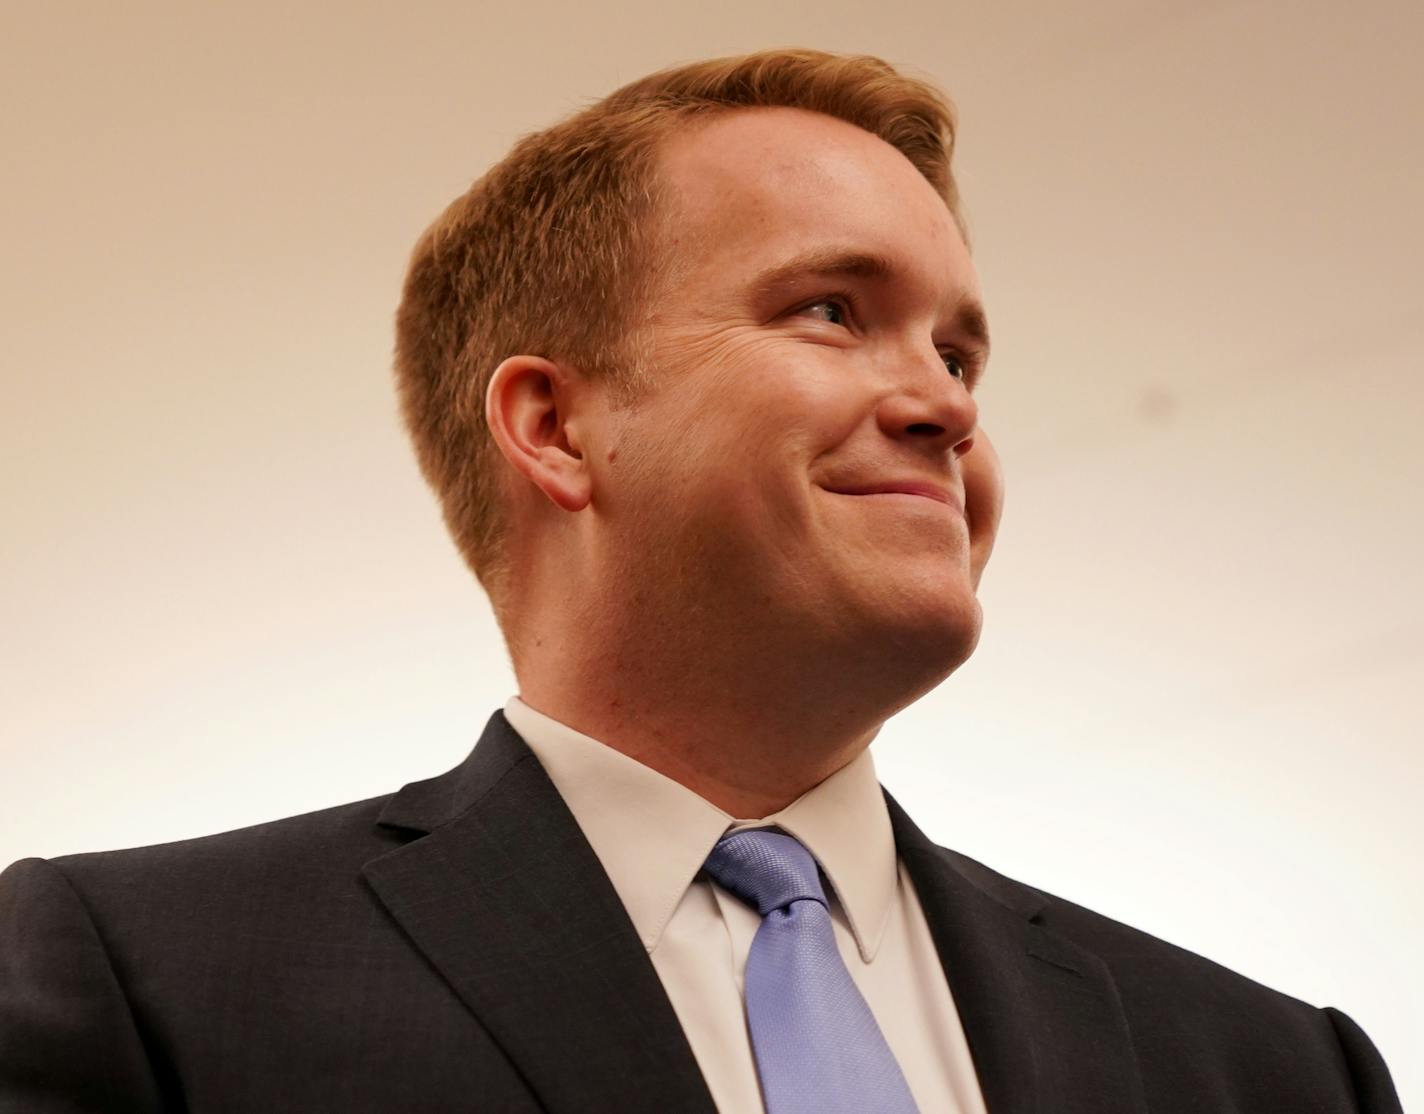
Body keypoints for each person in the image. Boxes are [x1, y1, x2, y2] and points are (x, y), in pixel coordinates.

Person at [0, 48, 1402, 1114]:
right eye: (833, 311)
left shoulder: (1275, 1070)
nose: (945, 405)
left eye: (961, 354)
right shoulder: (142, 979)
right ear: (556, 427)